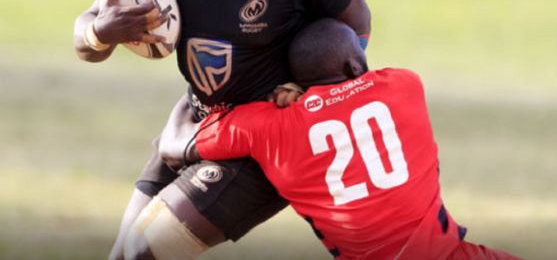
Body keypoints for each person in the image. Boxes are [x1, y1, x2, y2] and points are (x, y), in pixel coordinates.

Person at [72, 0, 371, 260]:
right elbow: (85, 40)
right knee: (122, 255)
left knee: (143, 254)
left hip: (259, 151)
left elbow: (356, 28)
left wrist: (313, 100)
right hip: (197, 124)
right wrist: (100, 32)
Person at [159, 18, 520, 260]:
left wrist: (201, 88)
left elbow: (173, 145)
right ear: (354, 66)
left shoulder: (265, 127)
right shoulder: (404, 85)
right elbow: (356, 91)